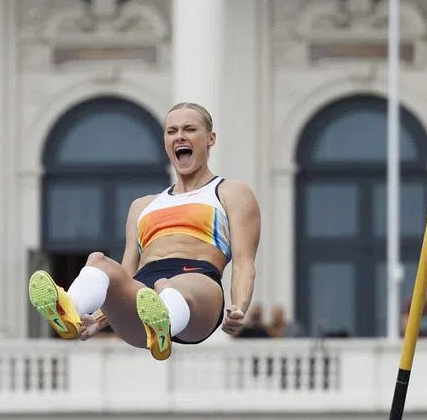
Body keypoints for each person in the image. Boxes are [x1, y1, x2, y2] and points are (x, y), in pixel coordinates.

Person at [28, 101, 261, 361]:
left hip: (197, 286)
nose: (180, 136)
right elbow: (127, 271)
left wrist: (239, 307)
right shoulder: (143, 206)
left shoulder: (230, 192)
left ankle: (164, 321)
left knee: (167, 286)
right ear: (165, 141)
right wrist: (98, 320)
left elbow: (244, 261)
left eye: (189, 129)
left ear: (210, 138)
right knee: (98, 261)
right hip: (143, 293)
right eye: (172, 131)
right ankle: (69, 310)